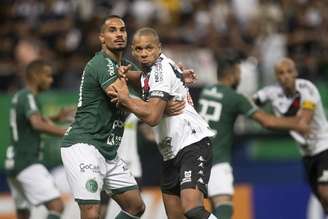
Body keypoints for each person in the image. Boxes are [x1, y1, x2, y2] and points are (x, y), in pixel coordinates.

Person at [60, 16, 187, 219]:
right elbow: (124, 98)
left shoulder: (126, 66)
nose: (119, 34)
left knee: (135, 207)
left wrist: (177, 77)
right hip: (84, 145)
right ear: (102, 38)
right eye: (112, 30)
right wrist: (161, 108)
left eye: (122, 29)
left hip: (108, 151)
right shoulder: (101, 64)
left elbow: (152, 85)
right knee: (91, 212)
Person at [108, 27, 217, 219]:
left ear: (159, 48)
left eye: (149, 48)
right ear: (133, 51)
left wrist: (126, 100)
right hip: (170, 154)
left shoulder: (160, 70)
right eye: (139, 49)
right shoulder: (150, 72)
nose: (144, 53)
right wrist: (122, 73)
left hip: (191, 144)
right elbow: (140, 80)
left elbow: (151, 117)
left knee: (193, 209)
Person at [197, 55, 309, 219]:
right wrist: (297, 123)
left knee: (204, 208)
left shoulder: (206, 91)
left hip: (196, 158)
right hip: (217, 159)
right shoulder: (235, 98)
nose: (240, 77)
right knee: (224, 208)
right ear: (233, 74)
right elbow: (268, 122)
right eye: (239, 73)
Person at [253, 57, 328, 215]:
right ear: (276, 77)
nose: (285, 76)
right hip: (307, 154)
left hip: (324, 147)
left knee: (325, 191)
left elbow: (303, 123)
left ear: (296, 72)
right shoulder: (271, 92)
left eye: (289, 71)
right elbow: (250, 102)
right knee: (323, 201)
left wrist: (270, 121)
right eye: (280, 73)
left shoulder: (307, 88)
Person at [4, 60, 68, 219]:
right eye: (47, 76)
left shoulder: (21, 96)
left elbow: (30, 122)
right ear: (35, 76)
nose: (51, 80)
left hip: (13, 162)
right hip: (26, 161)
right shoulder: (28, 96)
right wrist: (66, 132)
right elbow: (37, 124)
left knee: (23, 213)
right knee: (57, 206)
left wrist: (55, 117)